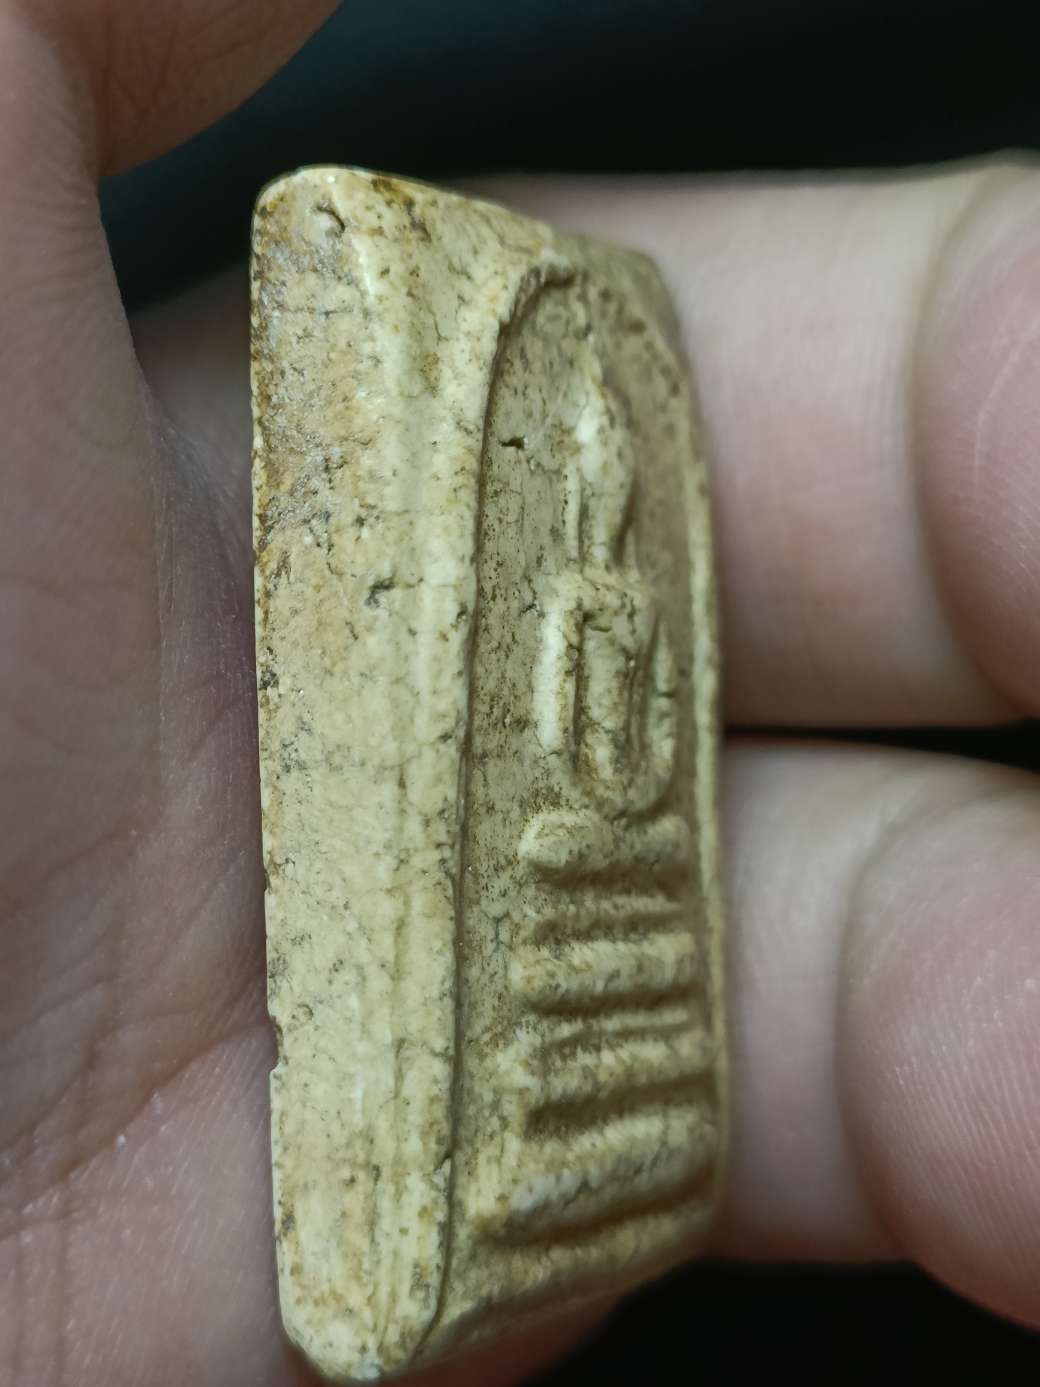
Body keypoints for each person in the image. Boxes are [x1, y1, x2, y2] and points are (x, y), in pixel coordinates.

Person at [2, 3, 1038, 1382]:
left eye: (607, 469)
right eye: (589, 466)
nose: (602, 485)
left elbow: (624, 756)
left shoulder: (606, 583)